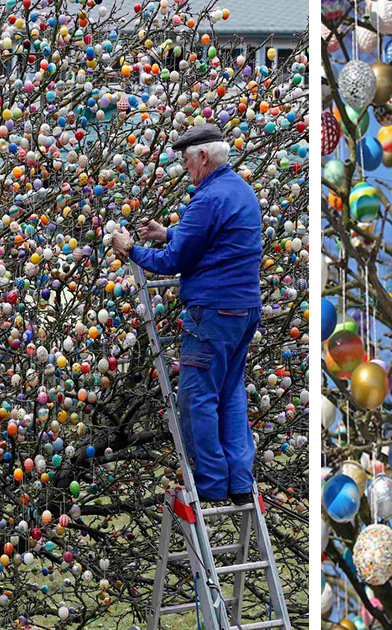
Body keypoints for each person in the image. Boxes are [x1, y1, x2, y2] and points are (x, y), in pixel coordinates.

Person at [111, 124, 262, 506]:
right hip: (244, 309)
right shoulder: (240, 191)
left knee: (198, 397)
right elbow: (210, 239)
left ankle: (211, 482)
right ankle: (240, 480)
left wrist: (132, 250)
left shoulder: (207, 198)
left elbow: (177, 261)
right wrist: (168, 232)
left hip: (212, 310)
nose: (183, 167)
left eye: (186, 160)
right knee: (230, 392)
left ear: (203, 157)